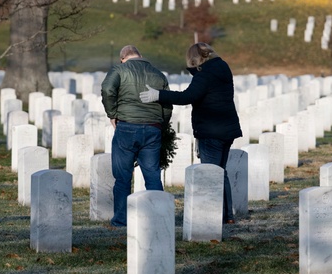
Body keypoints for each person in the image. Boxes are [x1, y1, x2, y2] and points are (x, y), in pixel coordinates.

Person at [140, 42, 242, 223]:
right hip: (227, 128)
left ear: (195, 59)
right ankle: (227, 216)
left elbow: (187, 96)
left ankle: (212, 216)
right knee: (221, 173)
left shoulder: (205, 74)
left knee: (210, 174)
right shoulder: (222, 67)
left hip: (211, 130)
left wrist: (159, 95)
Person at [101, 44, 170, 227]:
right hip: (153, 128)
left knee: (123, 176)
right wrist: (161, 124)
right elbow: (167, 102)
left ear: (123, 58)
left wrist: (112, 114)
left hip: (127, 126)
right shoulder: (158, 74)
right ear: (140, 56)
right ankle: (159, 218)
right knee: (152, 175)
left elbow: (108, 89)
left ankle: (121, 219)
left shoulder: (119, 70)